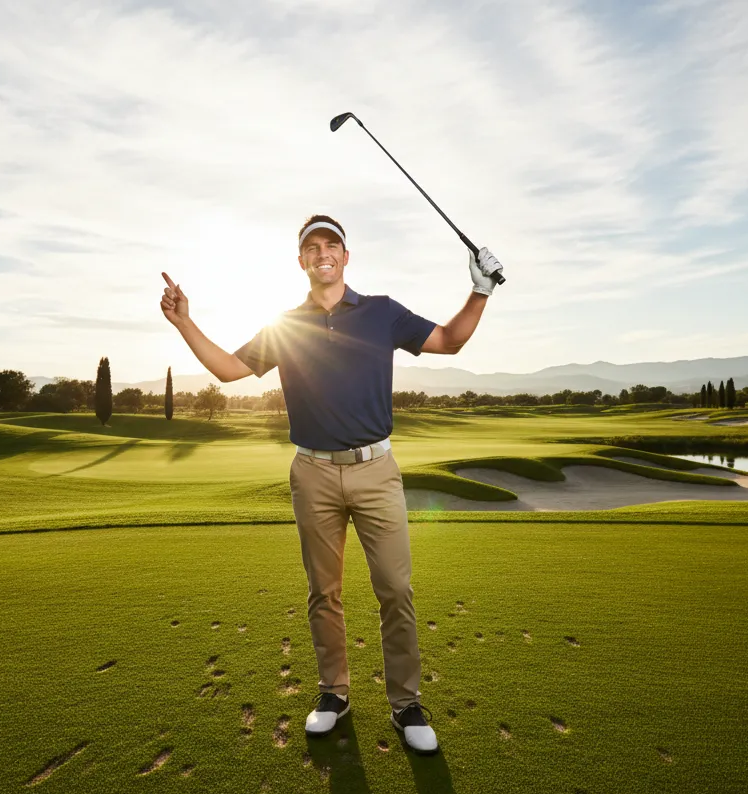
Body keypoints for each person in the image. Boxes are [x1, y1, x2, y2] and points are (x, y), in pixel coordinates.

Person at [159, 214, 501, 754]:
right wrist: (184, 322)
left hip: (376, 470)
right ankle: (333, 694)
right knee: (325, 593)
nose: (323, 252)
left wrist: (480, 290)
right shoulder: (285, 325)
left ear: (345, 256)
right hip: (312, 472)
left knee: (394, 588)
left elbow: (449, 342)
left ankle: (406, 704)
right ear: (301, 261)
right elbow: (228, 370)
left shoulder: (382, 312)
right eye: (312, 246)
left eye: (332, 244)